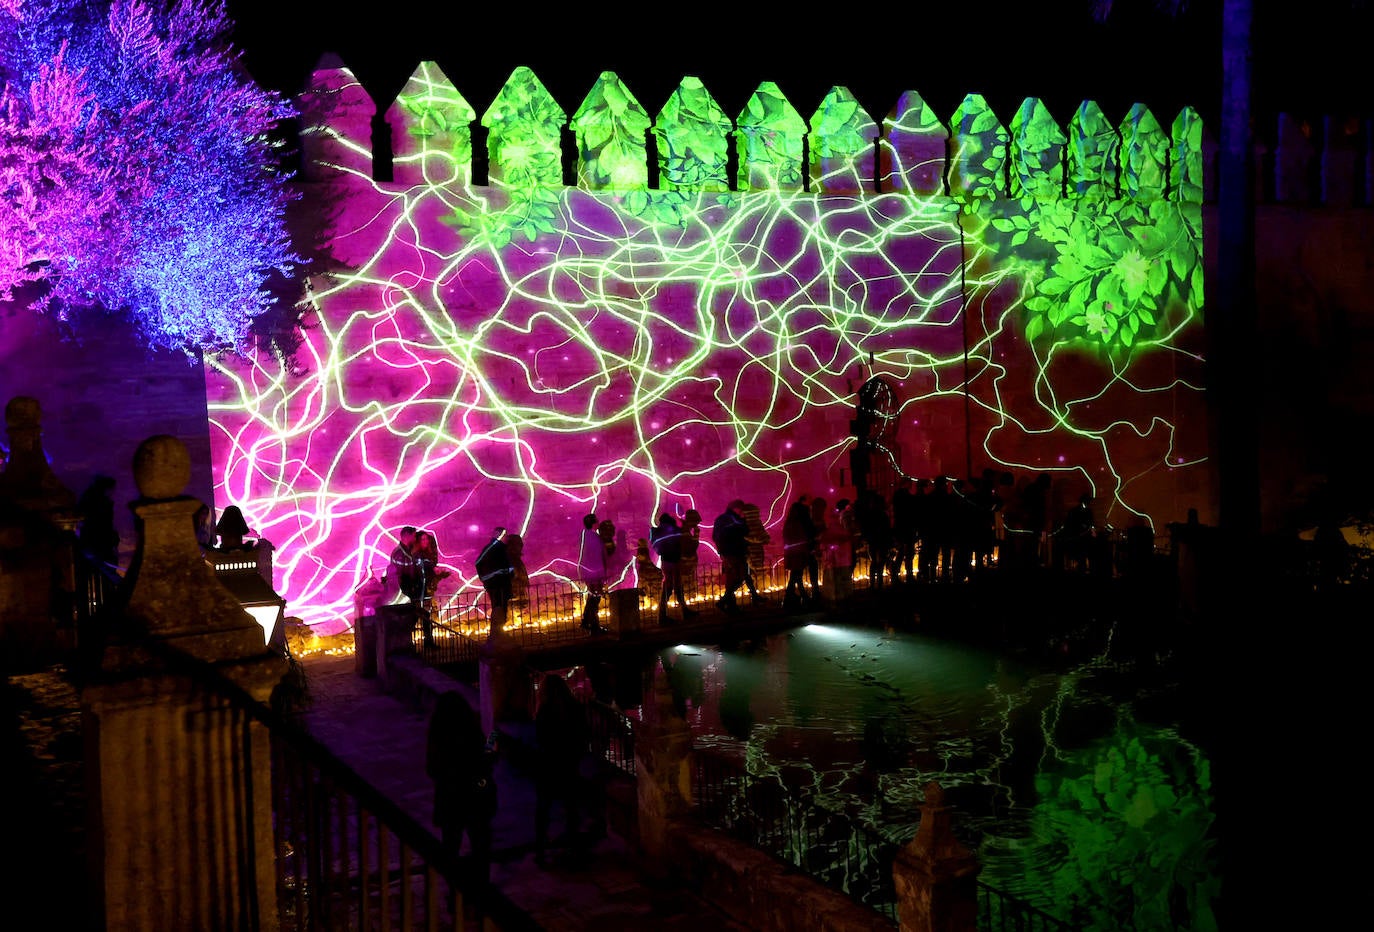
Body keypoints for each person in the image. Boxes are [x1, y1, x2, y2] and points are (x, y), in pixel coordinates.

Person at [426, 690, 498, 890]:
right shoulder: (472, 732)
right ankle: (482, 886)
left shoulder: (439, 736)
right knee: (481, 845)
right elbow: (485, 761)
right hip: (475, 798)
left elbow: (432, 769)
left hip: (451, 799)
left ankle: (454, 891)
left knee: (451, 847)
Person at [533, 673, 602, 867]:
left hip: (549, 767)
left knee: (543, 810)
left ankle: (540, 852)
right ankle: (575, 848)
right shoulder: (576, 709)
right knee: (571, 808)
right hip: (569, 765)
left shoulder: (544, 712)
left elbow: (540, 739)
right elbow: (584, 734)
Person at [651, 512, 697, 625]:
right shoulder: (674, 529)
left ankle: (679, 612)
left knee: (673, 585)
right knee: (672, 586)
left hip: (666, 561)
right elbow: (686, 543)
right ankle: (663, 616)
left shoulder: (660, 531)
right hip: (673, 561)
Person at [475, 526, 514, 640]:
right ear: (498, 535)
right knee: (499, 607)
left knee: (501, 607)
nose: (506, 537)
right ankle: (497, 634)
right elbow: (479, 562)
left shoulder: (501, 548)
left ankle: (498, 633)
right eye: (504, 535)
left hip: (500, 583)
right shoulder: (494, 547)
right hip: (497, 584)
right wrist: (488, 578)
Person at [711, 499, 750, 613]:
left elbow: (715, 536)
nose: (743, 512)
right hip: (735, 551)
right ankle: (725, 601)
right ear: (736, 509)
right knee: (739, 576)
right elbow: (745, 531)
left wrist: (721, 550)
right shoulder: (736, 520)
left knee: (731, 578)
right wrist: (744, 520)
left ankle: (730, 604)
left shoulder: (721, 519)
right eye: (741, 509)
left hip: (726, 552)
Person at [413, 530, 450, 648]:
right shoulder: (418, 555)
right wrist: (434, 570)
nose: (426, 541)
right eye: (422, 539)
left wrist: (439, 573)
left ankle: (428, 642)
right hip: (420, 590)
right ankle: (421, 641)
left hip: (427, 590)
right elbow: (421, 570)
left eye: (426, 539)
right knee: (418, 615)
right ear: (418, 542)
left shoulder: (426, 554)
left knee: (425, 616)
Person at [578, 514, 612, 635]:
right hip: (595, 573)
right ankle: (594, 626)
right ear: (593, 523)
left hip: (589, 572)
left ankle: (586, 621)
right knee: (595, 598)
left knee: (593, 597)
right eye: (597, 521)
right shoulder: (594, 537)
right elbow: (598, 555)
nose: (599, 522)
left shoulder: (586, 535)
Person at [76, 474, 119, 568]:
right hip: (98, 544)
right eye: (111, 489)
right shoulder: (100, 504)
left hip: (98, 543)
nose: (113, 492)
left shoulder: (94, 501)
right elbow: (105, 524)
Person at [781, 499, 814, 611]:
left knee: (795, 576)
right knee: (796, 575)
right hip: (798, 553)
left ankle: (792, 596)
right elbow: (801, 538)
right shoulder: (797, 524)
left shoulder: (789, 523)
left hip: (792, 553)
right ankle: (796, 596)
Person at [739, 500, 770, 604]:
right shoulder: (743, 524)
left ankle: (757, 594)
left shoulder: (757, 523)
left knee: (758, 573)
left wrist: (763, 539)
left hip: (758, 552)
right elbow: (743, 537)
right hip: (748, 552)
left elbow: (764, 535)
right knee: (749, 574)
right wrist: (756, 540)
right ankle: (754, 595)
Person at [384, 525, 419, 605]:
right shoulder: (399, 553)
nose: (415, 538)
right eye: (413, 536)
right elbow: (399, 576)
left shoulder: (408, 551)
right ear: (407, 536)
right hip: (403, 593)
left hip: (407, 591)